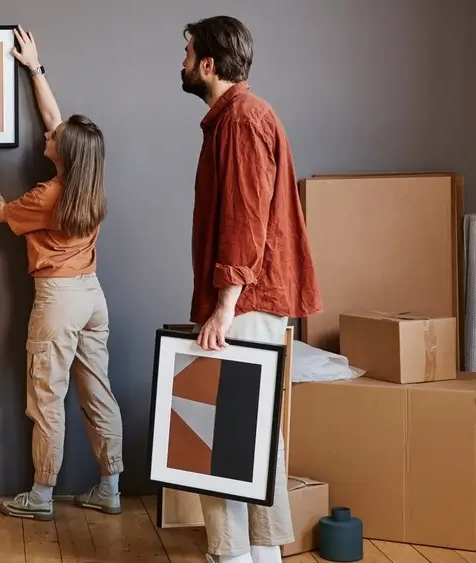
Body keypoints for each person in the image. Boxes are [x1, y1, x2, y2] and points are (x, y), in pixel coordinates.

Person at [0, 26, 124, 521]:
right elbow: (58, 122)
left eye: (55, 138)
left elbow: (4, 216)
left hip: (57, 301)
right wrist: (35, 68)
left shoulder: (48, 196)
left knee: (46, 397)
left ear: (64, 152)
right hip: (93, 296)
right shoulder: (89, 180)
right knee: (99, 391)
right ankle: (110, 486)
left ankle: (42, 495)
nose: (48, 134)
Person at [179, 15, 322, 563]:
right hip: (257, 301)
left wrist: (223, 308)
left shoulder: (240, 121)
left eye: (189, 53)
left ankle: (233, 556)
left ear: (209, 64)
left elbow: (244, 220)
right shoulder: (242, 117)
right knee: (256, 438)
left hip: (244, 303)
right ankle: (259, 556)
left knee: (223, 439)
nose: (184, 63)